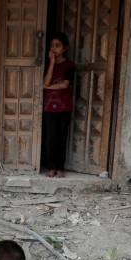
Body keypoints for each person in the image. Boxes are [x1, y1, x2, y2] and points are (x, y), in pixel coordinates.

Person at [41, 32, 75, 178]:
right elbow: (47, 81)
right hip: (49, 108)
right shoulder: (48, 64)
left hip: (64, 108)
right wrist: (52, 63)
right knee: (50, 139)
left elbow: (64, 85)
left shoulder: (69, 65)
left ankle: (60, 167)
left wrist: (47, 87)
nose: (54, 49)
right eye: (52, 46)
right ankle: (51, 167)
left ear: (65, 48)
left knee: (61, 138)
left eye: (57, 45)